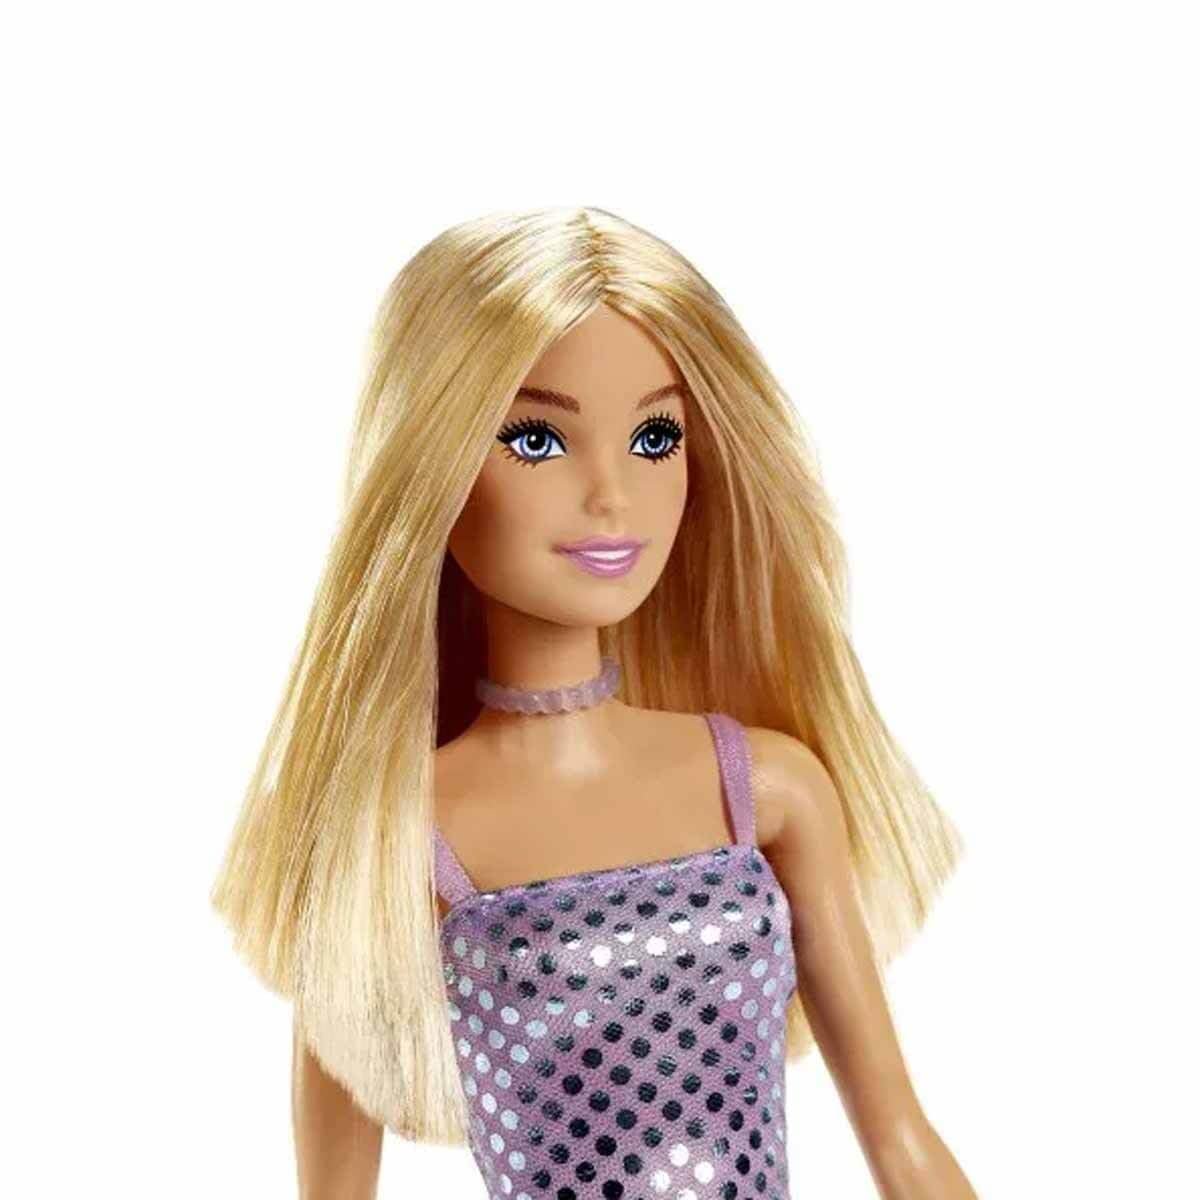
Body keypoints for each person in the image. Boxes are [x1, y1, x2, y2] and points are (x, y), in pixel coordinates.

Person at [211, 206, 976, 1198]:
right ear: (431, 465)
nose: (611, 495)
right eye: (536, 440)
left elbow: (902, 1140)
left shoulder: (768, 788)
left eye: (655, 436)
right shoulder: (391, 836)